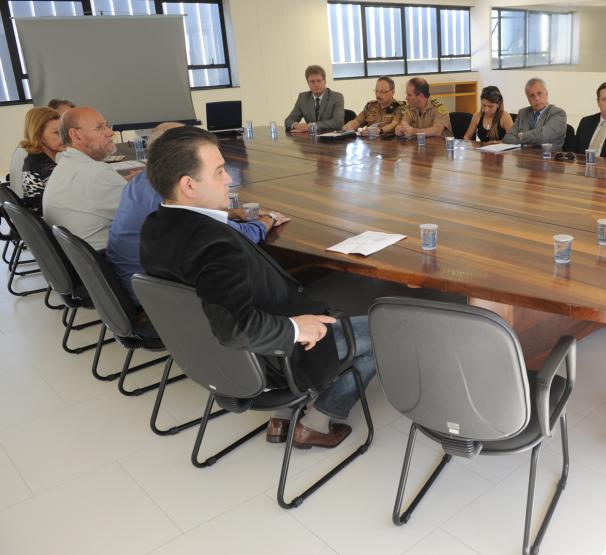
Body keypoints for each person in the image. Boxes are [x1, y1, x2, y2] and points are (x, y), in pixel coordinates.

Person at [140, 126, 375, 448]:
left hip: (216, 359)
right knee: (385, 332)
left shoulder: (155, 226)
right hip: (275, 357)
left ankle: (284, 414)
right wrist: (296, 328)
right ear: (189, 185)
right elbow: (235, 329)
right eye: (219, 172)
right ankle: (316, 421)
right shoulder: (213, 243)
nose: (229, 180)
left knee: (341, 317)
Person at [107, 123, 286, 304]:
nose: (228, 179)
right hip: (162, 302)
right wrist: (267, 219)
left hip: (132, 283)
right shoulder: (170, 200)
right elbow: (241, 236)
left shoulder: (143, 181)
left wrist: (230, 213)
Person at [43, 106, 133, 250]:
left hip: (81, 262)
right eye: (99, 128)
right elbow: (144, 216)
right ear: (76, 135)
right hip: (109, 260)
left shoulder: (65, 163)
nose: (110, 132)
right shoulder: (97, 173)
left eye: (107, 125)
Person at [19, 107, 64, 214]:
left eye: (63, 131)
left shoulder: (33, 159)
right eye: (56, 133)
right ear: (40, 136)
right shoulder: (44, 167)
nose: (64, 137)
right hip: (51, 223)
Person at [503, 78, 567, 147]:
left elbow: (543, 136)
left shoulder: (558, 113)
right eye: (532, 96)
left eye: (539, 93)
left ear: (546, 94)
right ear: (528, 99)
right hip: (523, 156)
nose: (537, 98)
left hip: (548, 156)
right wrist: (530, 142)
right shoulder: (522, 113)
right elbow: (507, 138)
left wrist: (523, 136)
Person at [284, 65, 345, 133]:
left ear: (324, 81)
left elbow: (338, 122)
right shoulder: (303, 98)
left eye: (319, 81)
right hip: (311, 140)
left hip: (332, 140)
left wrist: (313, 126)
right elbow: (289, 120)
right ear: (308, 83)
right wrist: (296, 125)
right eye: (312, 82)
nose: (316, 84)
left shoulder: (336, 97)